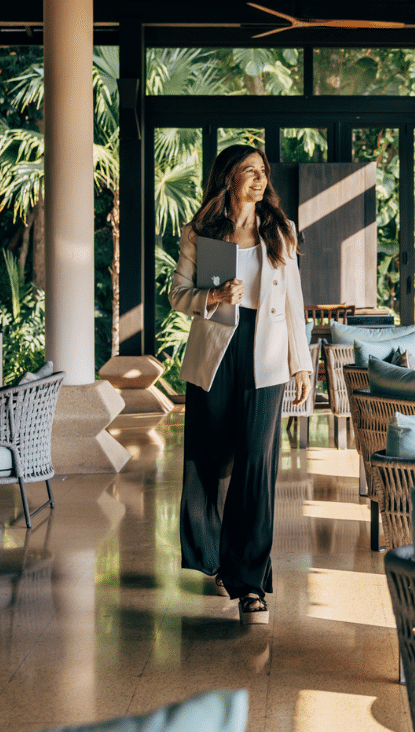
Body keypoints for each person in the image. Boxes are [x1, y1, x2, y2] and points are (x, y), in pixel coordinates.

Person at [169, 144, 313, 624]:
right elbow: (177, 295)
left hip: (266, 356)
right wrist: (211, 295)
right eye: (248, 170)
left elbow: (293, 303)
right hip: (216, 353)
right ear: (227, 178)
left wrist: (303, 367)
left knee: (256, 463)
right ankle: (218, 559)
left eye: (262, 170)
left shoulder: (280, 230)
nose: (258, 177)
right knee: (210, 463)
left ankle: (251, 583)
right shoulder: (202, 231)